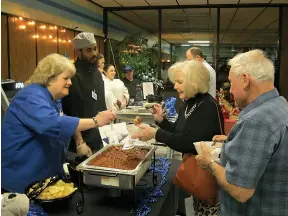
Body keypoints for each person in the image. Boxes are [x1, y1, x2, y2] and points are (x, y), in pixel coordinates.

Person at [1, 54, 116, 193]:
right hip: (22, 183)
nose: (70, 83)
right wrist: (95, 121)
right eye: (66, 78)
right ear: (50, 79)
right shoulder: (30, 96)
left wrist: (80, 142)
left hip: (46, 178)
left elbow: (63, 118)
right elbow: (52, 124)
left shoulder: (54, 98)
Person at [196, 50, 288, 216]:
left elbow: (240, 190)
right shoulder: (280, 104)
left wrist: (209, 162)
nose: (230, 89)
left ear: (245, 80)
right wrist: (234, 139)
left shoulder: (256, 121)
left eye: (231, 83)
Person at [132, 60, 223, 216]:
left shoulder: (207, 106)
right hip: (194, 173)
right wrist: (161, 121)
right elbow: (179, 132)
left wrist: (155, 133)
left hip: (208, 176)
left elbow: (187, 142)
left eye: (180, 82)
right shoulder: (188, 103)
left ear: (194, 82)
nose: (175, 86)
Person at [62, 32, 107, 152]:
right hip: (81, 143)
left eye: (95, 49)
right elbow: (70, 112)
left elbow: (101, 106)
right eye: (89, 50)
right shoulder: (73, 75)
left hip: (99, 138)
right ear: (78, 52)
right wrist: (79, 142)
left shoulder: (97, 74)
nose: (94, 54)